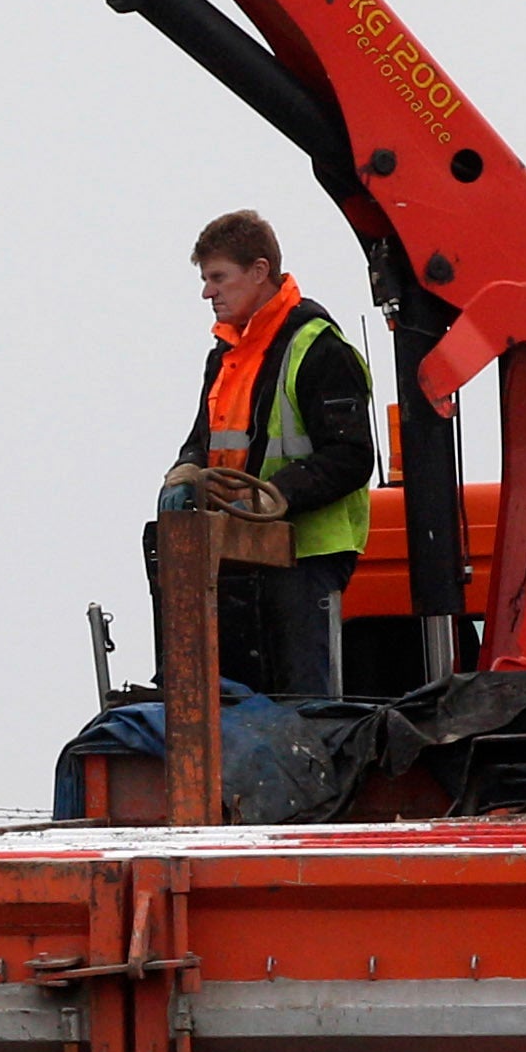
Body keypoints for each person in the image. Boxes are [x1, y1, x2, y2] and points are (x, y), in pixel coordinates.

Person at [155, 209, 377, 696]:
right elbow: (204, 438)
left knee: (303, 699)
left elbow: (353, 456)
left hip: (308, 553)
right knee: (234, 696)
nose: (207, 293)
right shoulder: (229, 353)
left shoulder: (318, 348)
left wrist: (271, 497)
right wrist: (185, 471)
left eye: (218, 278)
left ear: (259, 271)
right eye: (205, 279)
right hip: (239, 550)